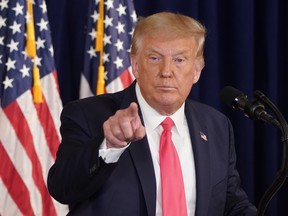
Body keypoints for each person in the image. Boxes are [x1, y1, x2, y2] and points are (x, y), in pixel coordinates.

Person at [47, 12, 257, 215]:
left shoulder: (216, 125)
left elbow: (231, 204)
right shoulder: (88, 114)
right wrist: (109, 145)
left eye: (179, 60)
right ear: (136, 65)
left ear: (196, 70)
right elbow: (62, 189)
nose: (166, 71)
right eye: (155, 58)